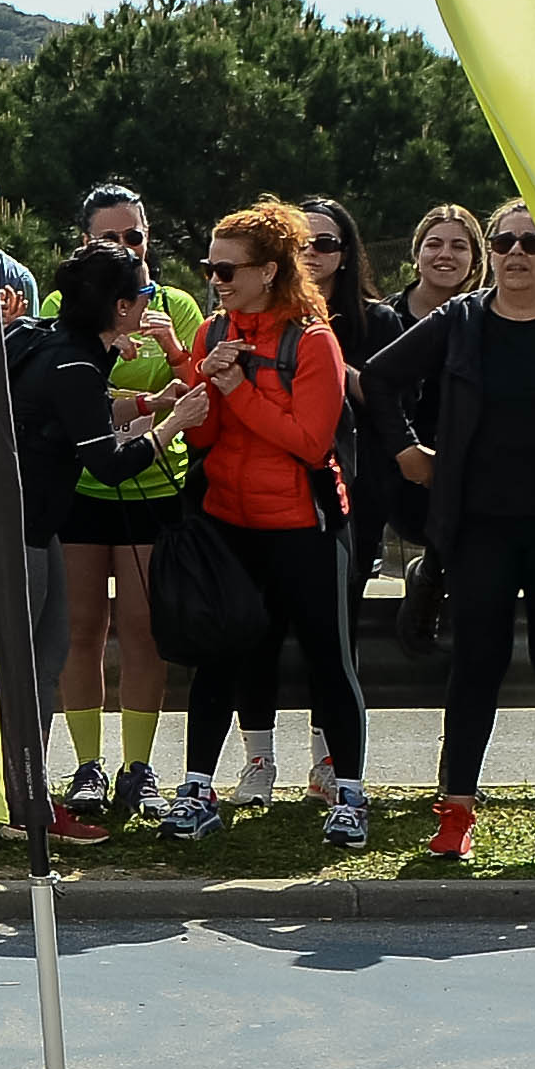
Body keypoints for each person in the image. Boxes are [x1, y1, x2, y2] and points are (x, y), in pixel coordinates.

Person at [369, 198, 535, 867]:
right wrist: (406, 450)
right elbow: (379, 378)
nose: (516, 253)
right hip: (479, 527)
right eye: (505, 241)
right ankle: (456, 811)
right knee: (477, 661)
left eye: (532, 243)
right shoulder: (461, 321)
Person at [152, 201, 373, 849]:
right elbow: (205, 439)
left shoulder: (313, 340)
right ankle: (197, 788)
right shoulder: (213, 333)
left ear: (269, 271)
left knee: (330, 659)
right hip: (229, 522)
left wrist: (238, 387)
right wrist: (205, 384)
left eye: (227, 270)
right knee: (219, 654)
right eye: (210, 268)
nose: (215, 281)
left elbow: (309, 441)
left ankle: (349, 795)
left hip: (304, 526)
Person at [52, 181, 200, 833]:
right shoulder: (63, 305)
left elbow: (200, 393)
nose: (125, 246)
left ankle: (138, 767)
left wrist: (172, 352)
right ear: (85, 241)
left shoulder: (176, 306)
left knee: (144, 631)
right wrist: (137, 398)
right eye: (109, 237)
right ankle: (87, 765)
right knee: (81, 629)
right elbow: (68, 396)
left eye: (134, 236)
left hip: (155, 488)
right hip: (83, 490)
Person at [13, 242, 174, 820]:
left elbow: (77, 412)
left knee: (49, 653)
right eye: (146, 293)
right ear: (122, 307)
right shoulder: (75, 364)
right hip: (21, 532)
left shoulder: (47, 340)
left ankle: (27, 793)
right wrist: (171, 425)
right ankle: (16, 798)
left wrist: (148, 401)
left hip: (35, 528)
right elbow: (107, 462)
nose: (151, 302)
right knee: (26, 665)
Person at [281, 193, 398, 801]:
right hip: (275, 485)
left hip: (352, 493)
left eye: (325, 243)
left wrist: (337, 370)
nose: (313, 254)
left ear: (347, 253)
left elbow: (392, 405)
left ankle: (330, 761)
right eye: (301, 243)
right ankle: (259, 760)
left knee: (339, 628)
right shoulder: (267, 315)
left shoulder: (377, 322)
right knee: (268, 625)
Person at [391, 204, 492, 645]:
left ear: (476, 258)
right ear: (417, 255)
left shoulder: (489, 319)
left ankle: (430, 579)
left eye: (458, 246)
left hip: (466, 458)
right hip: (396, 456)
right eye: (434, 244)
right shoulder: (385, 317)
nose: (445, 254)